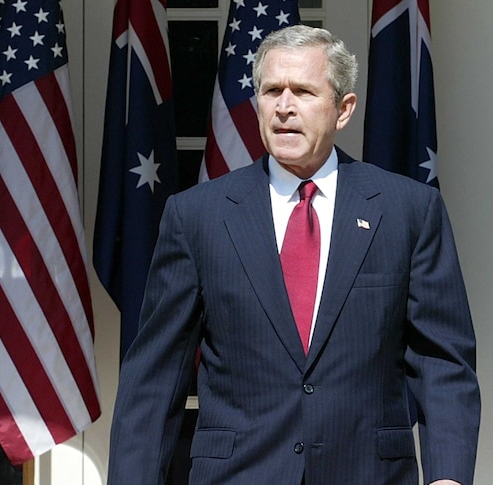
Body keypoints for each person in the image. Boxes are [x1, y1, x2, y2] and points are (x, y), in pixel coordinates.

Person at [107, 25, 480, 485]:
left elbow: (443, 360)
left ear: (343, 110)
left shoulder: (408, 210)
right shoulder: (197, 216)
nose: (284, 107)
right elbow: (155, 376)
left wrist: (449, 477)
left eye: (302, 91)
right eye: (271, 91)